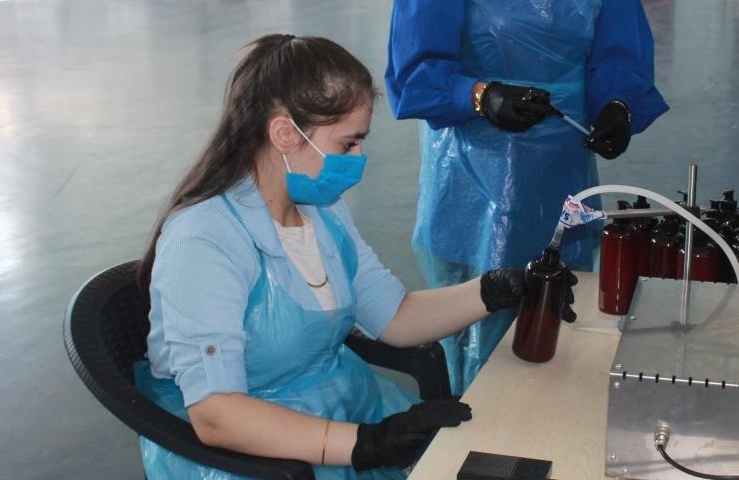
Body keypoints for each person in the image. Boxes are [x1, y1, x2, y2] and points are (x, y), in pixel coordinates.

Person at [134, 34, 573, 479]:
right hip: (250, 454)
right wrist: (369, 444)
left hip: (337, 410)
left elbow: (396, 317)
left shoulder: (321, 211)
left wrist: (496, 289)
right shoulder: (203, 239)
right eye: (348, 144)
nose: (359, 158)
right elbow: (216, 415)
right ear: (285, 134)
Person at [385, 0, 669, 394]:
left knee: (557, 300)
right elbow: (415, 70)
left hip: (561, 166)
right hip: (472, 172)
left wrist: (618, 107)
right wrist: (479, 95)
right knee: (473, 308)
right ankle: (472, 415)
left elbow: (619, 56)